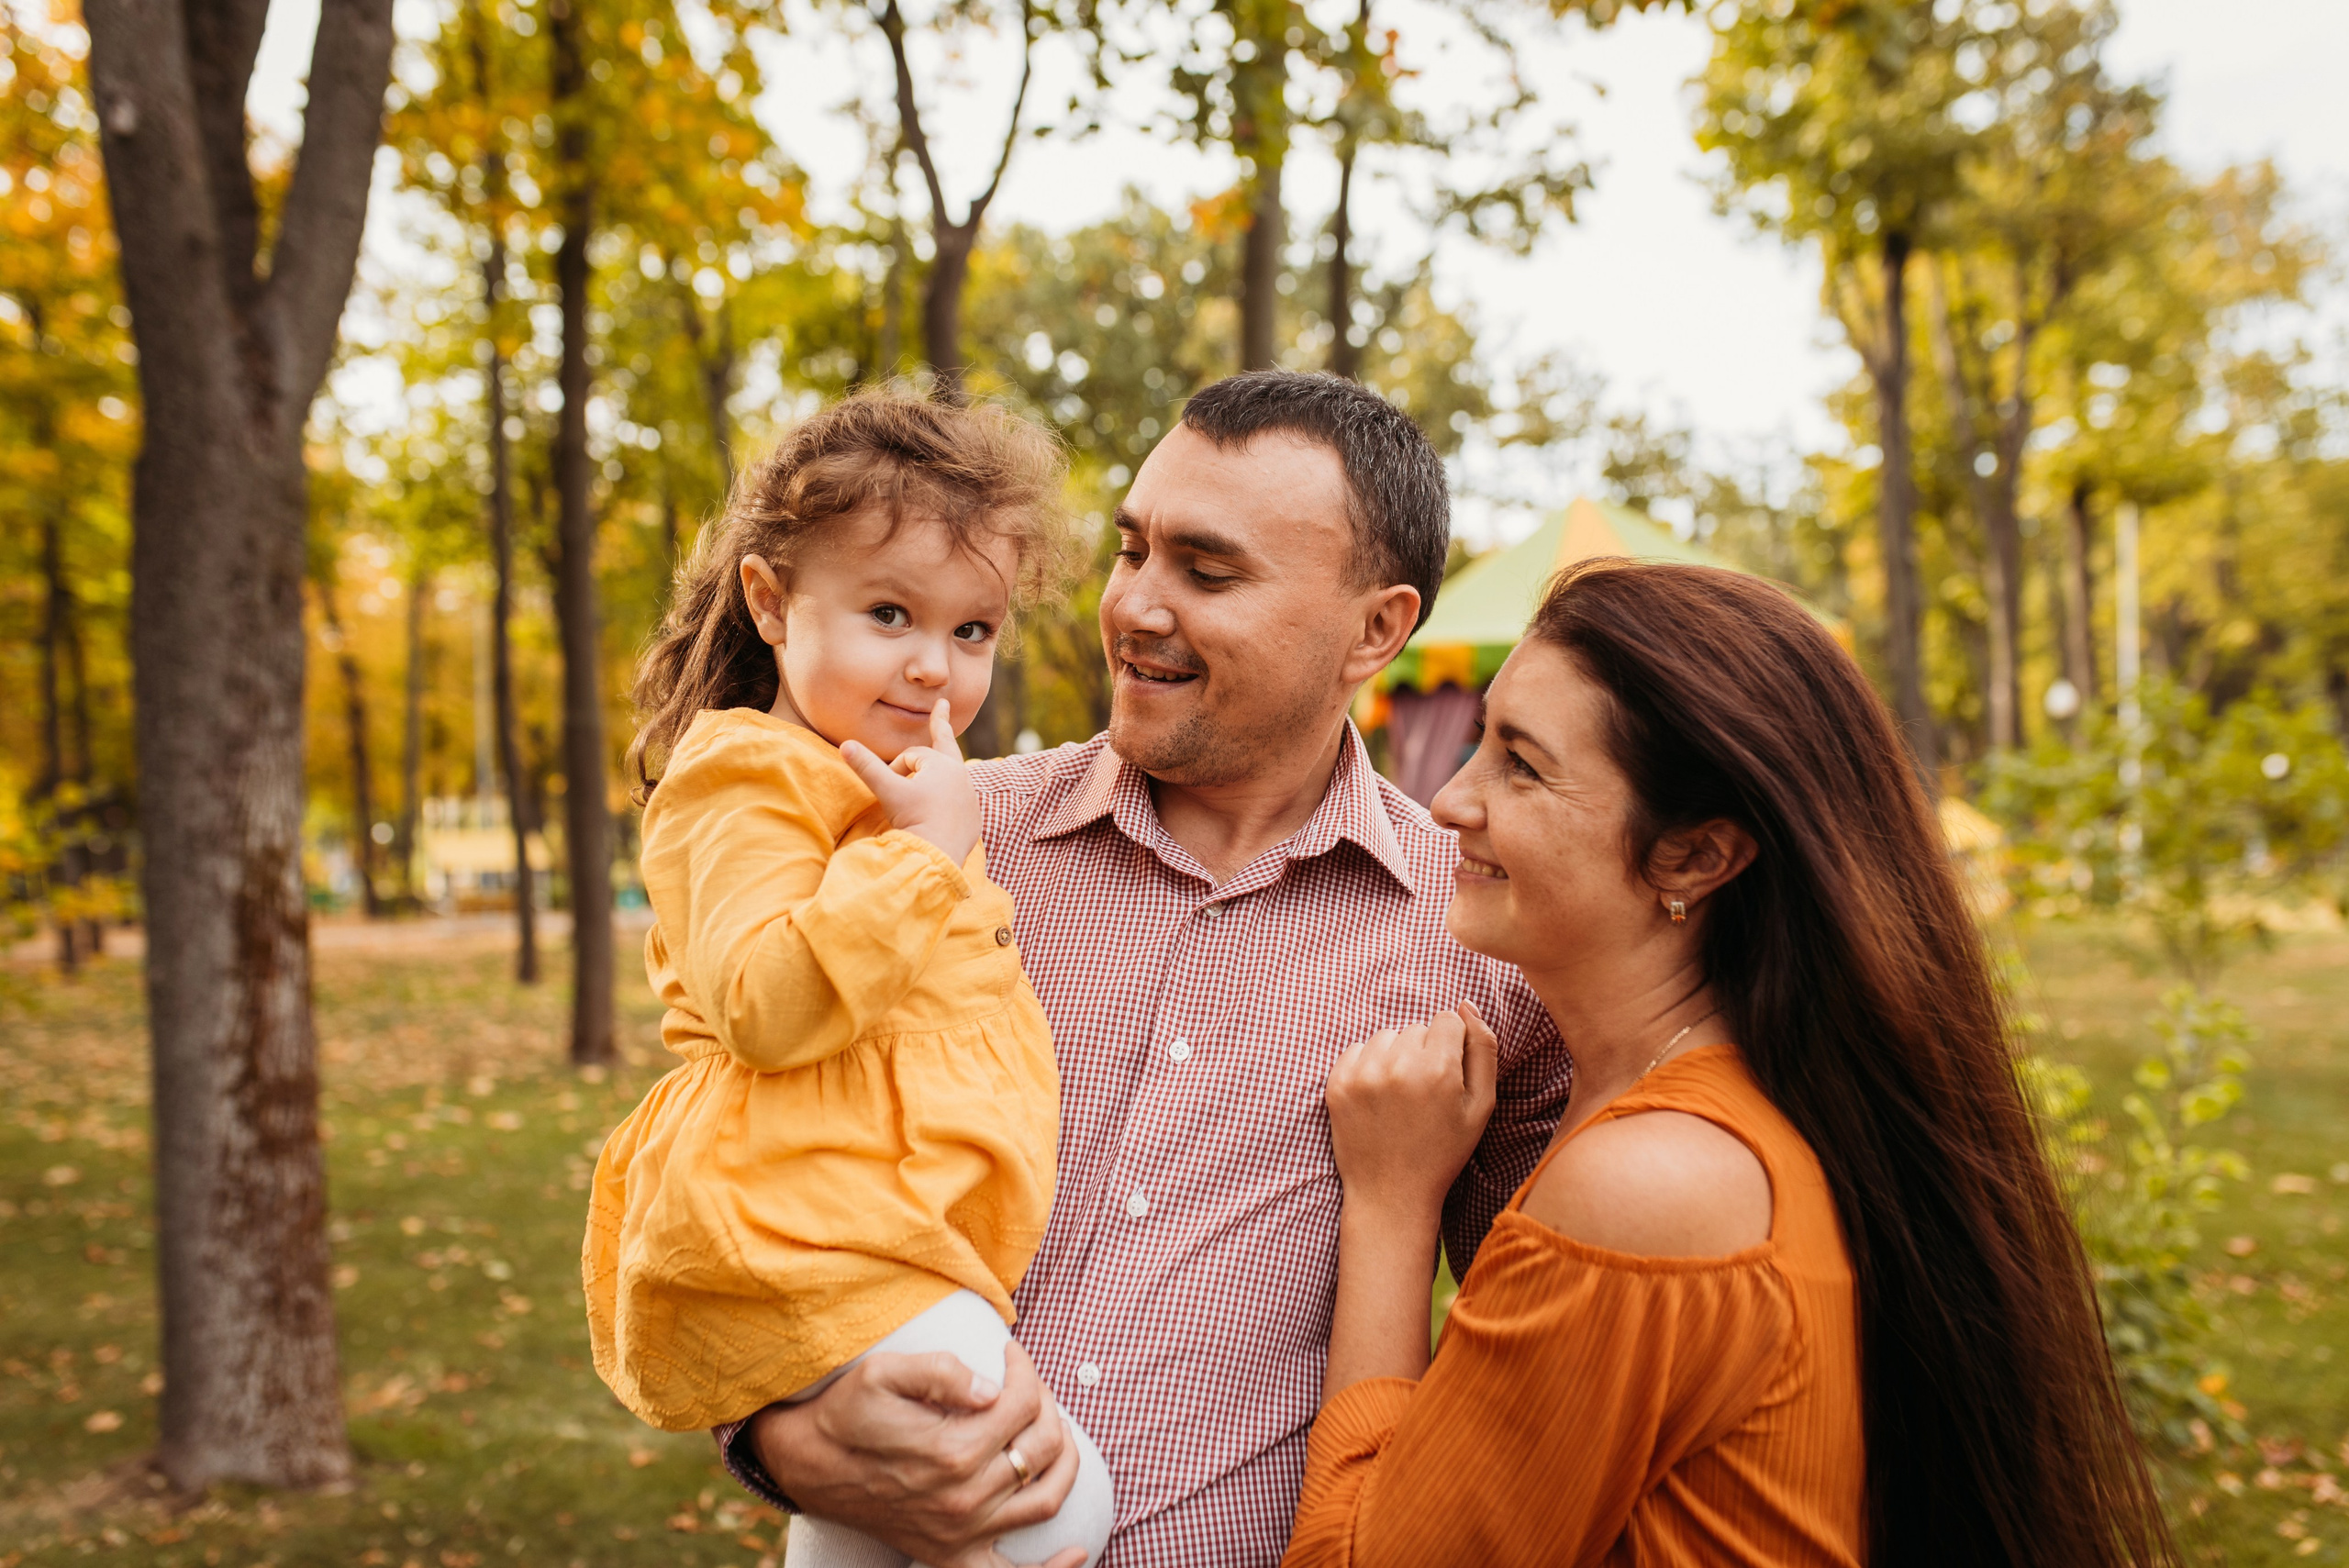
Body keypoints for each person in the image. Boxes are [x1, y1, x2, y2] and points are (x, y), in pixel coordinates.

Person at [716, 372, 1576, 1568]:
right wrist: (780, 1431)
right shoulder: (936, 842)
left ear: (1377, 629)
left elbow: (1540, 1375)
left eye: (1207, 571)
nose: (1134, 607)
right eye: (1133, 549)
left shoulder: (1484, 941)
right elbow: (752, 1164)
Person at [1285, 559, 2176, 1567]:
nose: (1447, 798)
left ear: (1697, 858)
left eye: (1521, 765)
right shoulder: (1735, 1101)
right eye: (1481, 738)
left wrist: (1392, 1204)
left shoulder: (1650, 1188)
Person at [584, 392, 1112, 1568]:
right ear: (771, 603)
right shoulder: (746, 777)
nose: (933, 666)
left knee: (877, 1524)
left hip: (893, 1235)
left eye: (973, 631)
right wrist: (924, 853)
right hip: (813, 1224)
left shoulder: (894, 787)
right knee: (1055, 1511)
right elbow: (766, 1002)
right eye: (889, 613)